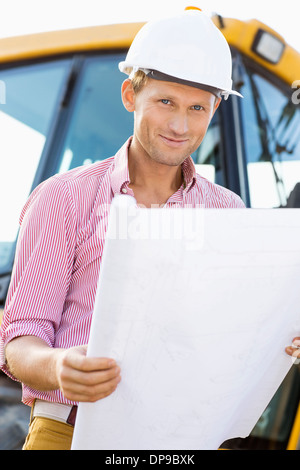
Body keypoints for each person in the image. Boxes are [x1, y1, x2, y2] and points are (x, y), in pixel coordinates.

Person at [0, 8, 298, 451]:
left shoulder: (228, 212)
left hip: (189, 439)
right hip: (68, 431)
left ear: (214, 108)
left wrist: (282, 337)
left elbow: (232, 332)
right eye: (165, 102)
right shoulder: (62, 199)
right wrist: (59, 365)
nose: (181, 126)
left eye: (197, 108)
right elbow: (19, 340)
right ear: (129, 94)